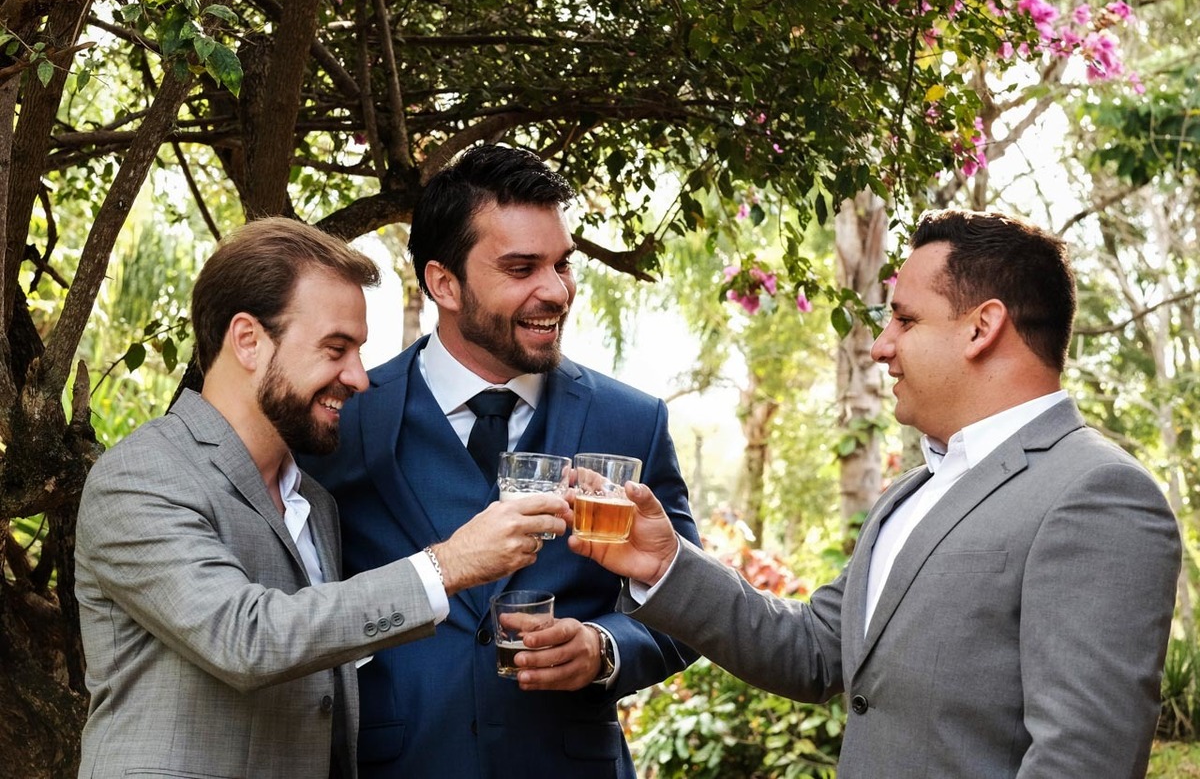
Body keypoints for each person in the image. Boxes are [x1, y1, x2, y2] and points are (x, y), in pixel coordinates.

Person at [569, 209, 1182, 778]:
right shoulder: (912, 492)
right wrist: (665, 564)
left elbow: (1083, 758)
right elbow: (813, 651)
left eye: (906, 320)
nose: (881, 345)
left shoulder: (1098, 494)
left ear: (982, 328)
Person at [74, 217, 567, 779]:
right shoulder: (142, 476)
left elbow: (324, 662)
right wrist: (448, 564)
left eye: (358, 351)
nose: (358, 377)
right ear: (248, 340)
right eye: (336, 349)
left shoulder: (314, 500)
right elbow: (247, 638)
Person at [298, 144, 700, 779]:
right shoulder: (345, 418)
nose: (556, 291)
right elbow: (292, 609)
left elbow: (690, 610)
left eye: (562, 265)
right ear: (444, 283)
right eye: (521, 268)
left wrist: (604, 650)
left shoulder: (633, 421)